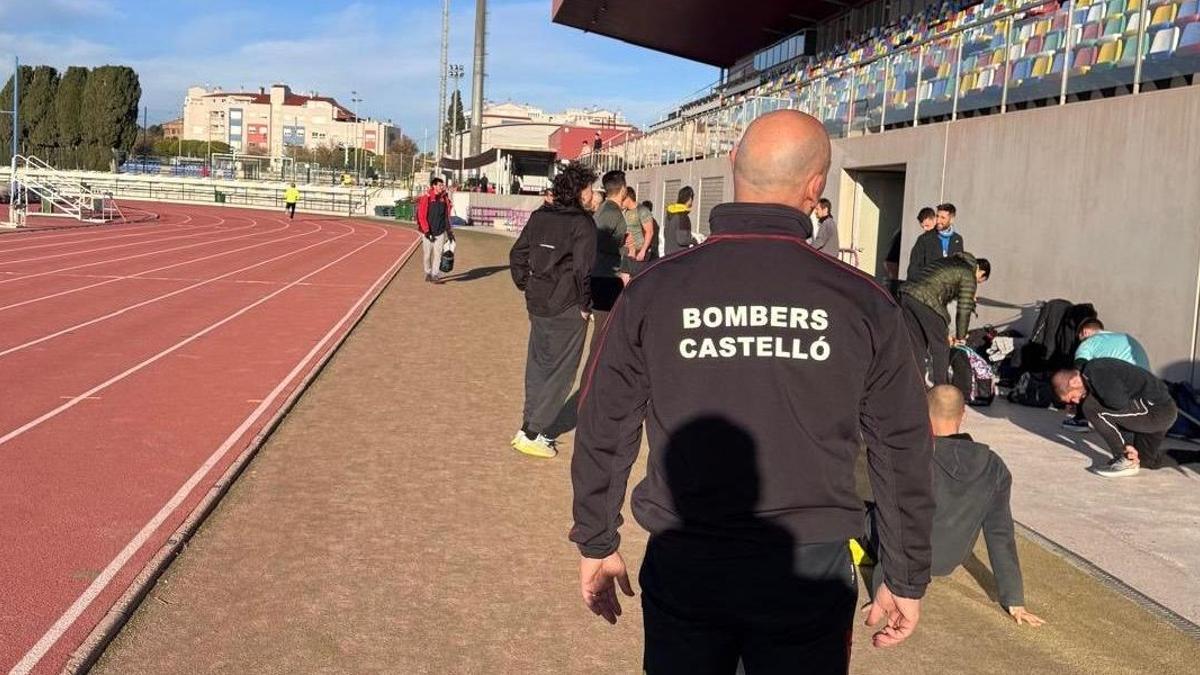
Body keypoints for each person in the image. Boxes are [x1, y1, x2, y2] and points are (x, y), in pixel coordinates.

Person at [570, 110, 934, 673]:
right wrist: (905, 573)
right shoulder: (864, 302)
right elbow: (903, 446)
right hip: (804, 571)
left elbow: (604, 420)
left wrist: (596, 537)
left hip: (692, 562)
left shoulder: (655, 288)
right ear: (816, 189)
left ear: (734, 164)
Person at [865, 386, 1046, 627]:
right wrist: (1014, 598)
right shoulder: (994, 467)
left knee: (863, 504)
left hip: (903, 563)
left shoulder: (909, 457)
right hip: (947, 561)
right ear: (963, 415)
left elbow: (891, 517)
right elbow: (1000, 533)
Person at [508, 162, 598, 459]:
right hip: (566, 305)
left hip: (539, 301)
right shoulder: (583, 224)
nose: (592, 193)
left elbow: (517, 253)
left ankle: (529, 427)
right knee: (561, 372)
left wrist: (526, 283)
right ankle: (533, 432)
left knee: (538, 365)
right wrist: (585, 306)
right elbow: (583, 271)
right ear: (579, 191)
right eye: (589, 188)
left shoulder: (539, 216)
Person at [1052, 359, 1178, 477]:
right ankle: (1194, 456)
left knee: (1090, 407)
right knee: (1145, 461)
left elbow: (1117, 403)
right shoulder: (1091, 374)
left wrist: (1125, 448)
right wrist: (1129, 445)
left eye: (1072, 397)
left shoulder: (1095, 371)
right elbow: (1118, 412)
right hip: (1154, 414)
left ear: (1074, 381)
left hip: (1158, 411)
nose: (1076, 401)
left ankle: (1123, 458)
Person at [898, 252, 990, 386]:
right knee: (941, 347)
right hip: (926, 300)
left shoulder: (949, 262)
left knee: (917, 345)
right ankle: (942, 389)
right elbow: (964, 308)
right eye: (980, 281)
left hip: (907, 295)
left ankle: (915, 387)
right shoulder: (968, 274)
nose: (977, 284)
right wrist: (961, 336)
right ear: (981, 272)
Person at [1062, 318, 1152, 430]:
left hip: (1125, 393)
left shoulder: (1088, 343)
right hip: (1148, 392)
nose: (1080, 342)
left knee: (1086, 376)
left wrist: (1074, 402)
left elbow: (1078, 374)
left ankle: (1082, 420)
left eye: (1080, 338)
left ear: (1084, 332)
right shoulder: (1124, 338)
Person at [585, 171, 628, 362]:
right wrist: (623, 246)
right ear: (623, 188)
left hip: (603, 276)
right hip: (606, 278)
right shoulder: (611, 212)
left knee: (605, 327)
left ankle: (595, 369)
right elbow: (599, 241)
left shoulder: (605, 209)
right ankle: (593, 372)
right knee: (603, 328)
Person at [907, 203, 963, 280]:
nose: (938, 221)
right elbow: (913, 269)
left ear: (951, 219)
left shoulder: (957, 240)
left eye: (943, 218)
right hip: (928, 287)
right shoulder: (924, 239)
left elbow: (960, 267)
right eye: (937, 216)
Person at [416, 178, 455, 283]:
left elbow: (446, 216)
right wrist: (427, 232)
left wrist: (449, 232)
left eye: (442, 185)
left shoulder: (444, 199)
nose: (442, 187)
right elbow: (421, 216)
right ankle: (428, 272)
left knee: (438, 254)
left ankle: (435, 274)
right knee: (427, 255)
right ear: (433, 186)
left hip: (440, 232)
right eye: (439, 185)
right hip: (428, 232)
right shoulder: (426, 198)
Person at [619, 187, 656, 278]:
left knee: (636, 282)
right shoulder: (626, 212)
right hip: (628, 252)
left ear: (628, 197)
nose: (620, 202)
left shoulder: (642, 210)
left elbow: (650, 232)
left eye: (622, 199)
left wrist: (643, 251)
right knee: (624, 280)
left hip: (639, 252)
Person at [663, 186, 697, 255]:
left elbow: (665, 234)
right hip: (679, 256)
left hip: (668, 254)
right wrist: (693, 241)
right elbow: (682, 239)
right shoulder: (683, 216)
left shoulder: (670, 214)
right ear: (690, 198)